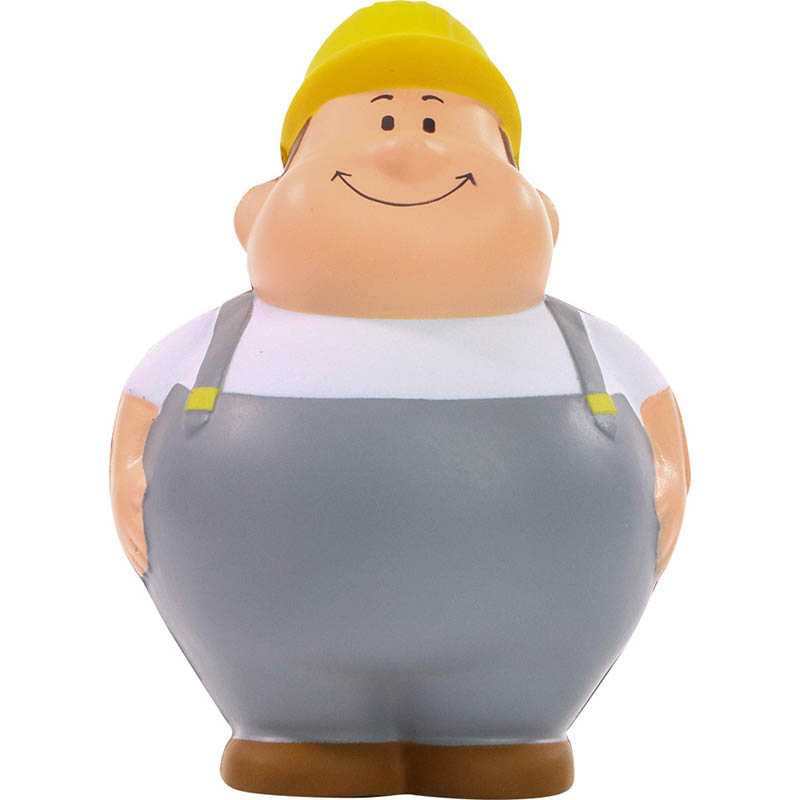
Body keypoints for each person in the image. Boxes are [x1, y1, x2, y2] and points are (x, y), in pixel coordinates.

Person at [110, 2, 689, 796]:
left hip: (535, 650)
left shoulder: (587, 344)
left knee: (506, 726)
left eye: (435, 122)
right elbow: (138, 421)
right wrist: (130, 474)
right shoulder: (212, 344)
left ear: (541, 209)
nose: (407, 150)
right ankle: (299, 732)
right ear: (258, 208)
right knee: (296, 724)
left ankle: (502, 735)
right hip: (269, 645)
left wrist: (667, 483)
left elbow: (661, 434)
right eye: (379, 120)